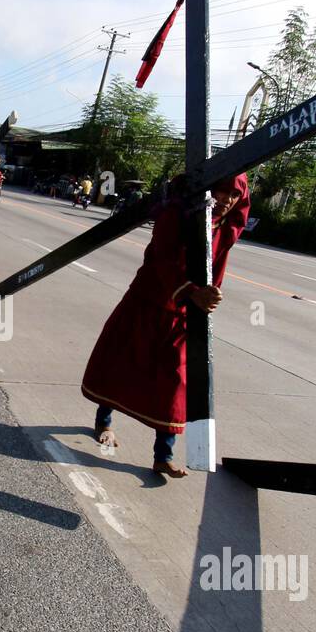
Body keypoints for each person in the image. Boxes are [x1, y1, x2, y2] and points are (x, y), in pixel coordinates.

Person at [81, 173, 251, 479]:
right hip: (147, 301)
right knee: (121, 363)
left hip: (185, 313)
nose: (227, 200)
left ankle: (163, 455)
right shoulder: (176, 212)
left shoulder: (226, 227)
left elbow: (217, 263)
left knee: (174, 381)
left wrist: (207, 296)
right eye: (222, 191)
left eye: (234, 195)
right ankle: (103, 421)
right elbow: (161, 258)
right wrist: (191, 292)